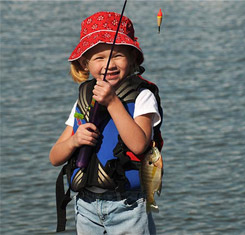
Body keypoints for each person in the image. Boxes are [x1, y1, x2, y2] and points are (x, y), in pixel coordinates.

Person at [49, 11, 162, 235]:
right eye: (99, 58)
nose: (108, 64)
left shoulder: (142, 97)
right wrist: (74, 141)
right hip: (86, 206)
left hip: (128, 205)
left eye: (117, 55)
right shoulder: (84, 98)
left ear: (132, 60)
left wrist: (112, 102)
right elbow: (54, 157)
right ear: (85, 63)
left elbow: (139, 145)